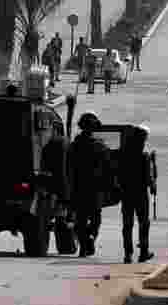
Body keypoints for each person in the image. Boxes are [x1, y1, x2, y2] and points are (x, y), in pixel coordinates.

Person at [68, 110, 109, 257]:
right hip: (95, 188)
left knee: (80, 220)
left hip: (78, 187)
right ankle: (89, 239)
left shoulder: (74, 146)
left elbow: (69, 167)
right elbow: (108, 167)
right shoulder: (100, 146)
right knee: (95, 218)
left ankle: (85, 243)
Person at [119, 124, 156, 264]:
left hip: (127, 194)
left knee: (127, 225)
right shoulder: (143, 156)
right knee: (143, 223)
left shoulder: (124, 155)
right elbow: (148, 179)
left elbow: (119, 174)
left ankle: (128, 254)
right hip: (140, 195)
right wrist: (152, 183)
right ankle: (143, 252)